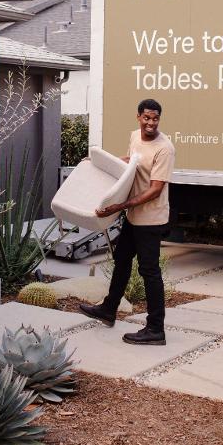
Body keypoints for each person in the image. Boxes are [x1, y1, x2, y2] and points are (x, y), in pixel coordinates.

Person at [78, 98, 175, 345]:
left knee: (149, 272)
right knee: (122, 260)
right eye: (147, 118)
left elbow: (155, 189)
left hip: (151, 219)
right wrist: (95, 165)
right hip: (134, 216)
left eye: (155, 119)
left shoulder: (165, 149)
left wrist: (119, 206)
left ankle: (156, 329)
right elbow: (131, 163)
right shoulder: (134, 137)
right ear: (139, 117)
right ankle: (109, 309)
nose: (151, 123)